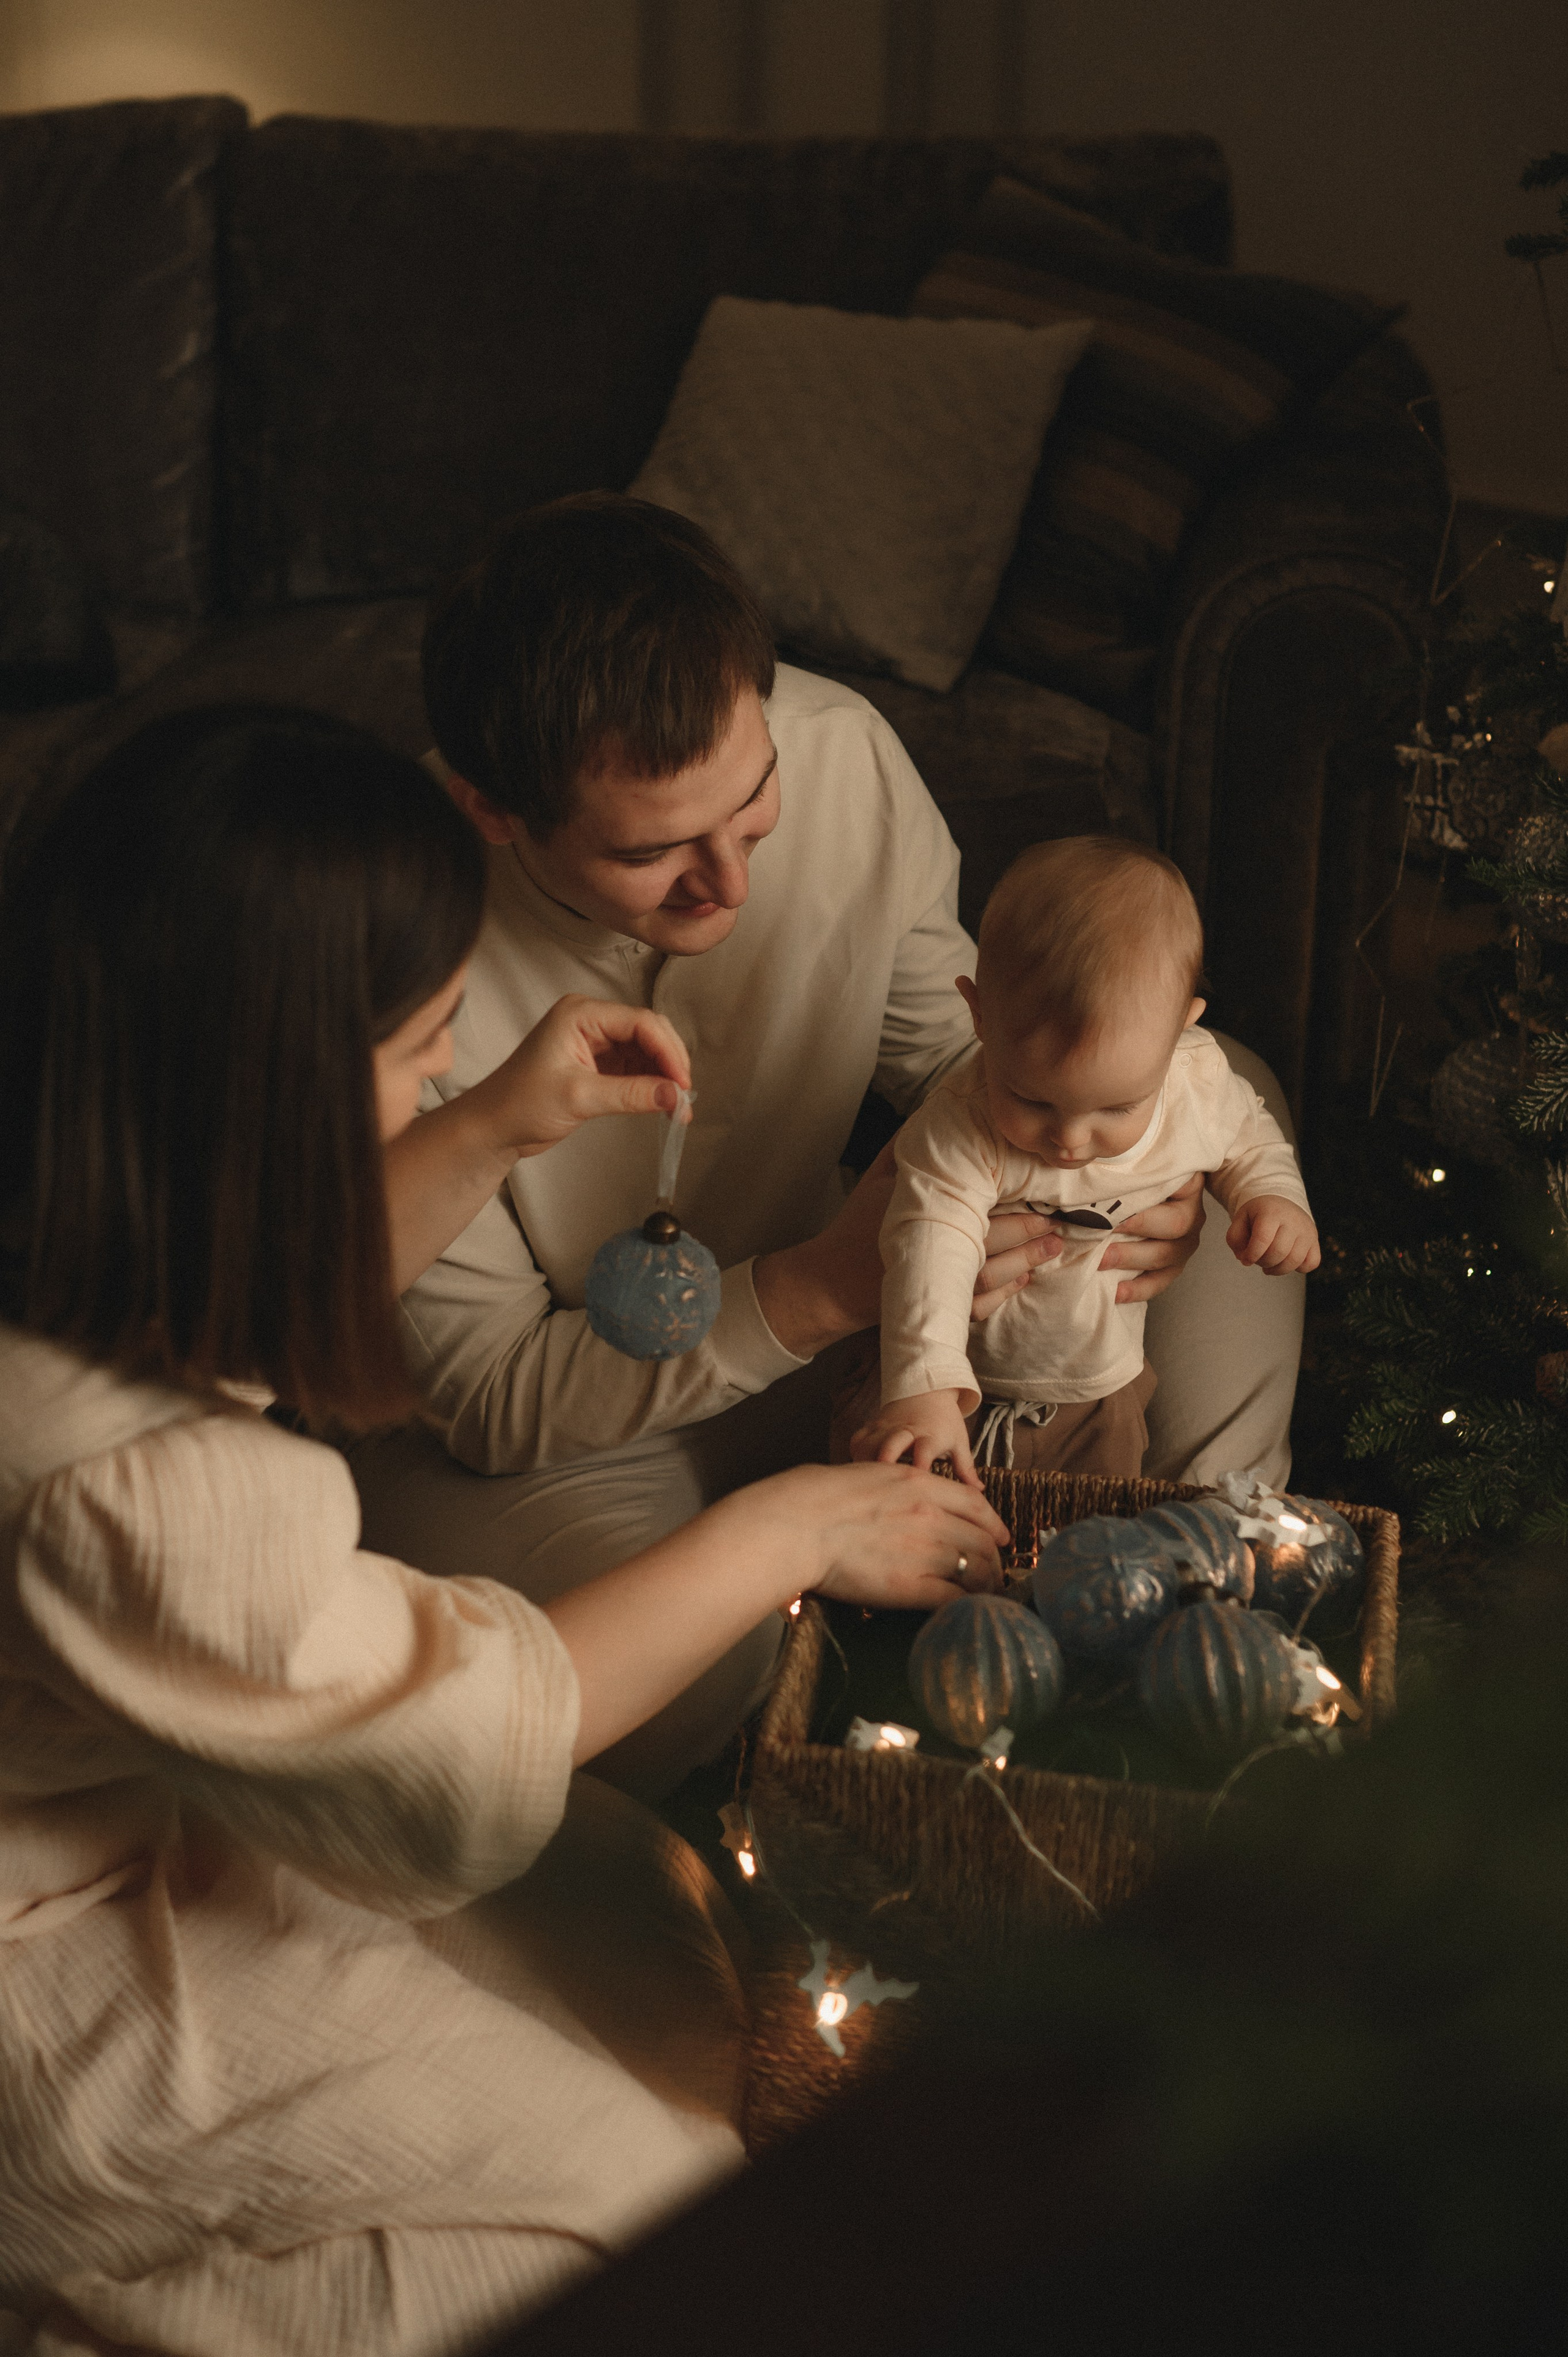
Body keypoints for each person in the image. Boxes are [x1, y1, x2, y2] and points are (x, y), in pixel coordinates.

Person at [0, 708, 1006, 2356]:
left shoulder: (85, 1191)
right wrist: (787, 1531)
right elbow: (458, 1748)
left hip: (97, 1791)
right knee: (654, 2222)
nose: (439, 1090)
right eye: (413, 1069)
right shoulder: (138, 1492)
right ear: (267, 1096)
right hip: (46, 1949)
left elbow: (221, 1312)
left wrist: (484, 1130)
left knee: (636, 1921)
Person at [350, 494, 1304, 1793]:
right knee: (646, 1672)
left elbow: (960, 1058)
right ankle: (840, 1702)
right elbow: (495, 1401)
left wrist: (1119, 1171)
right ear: (492, 809)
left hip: (861, 1324)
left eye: (751, 809)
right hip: (560, 1436)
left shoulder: (841, 750)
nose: (728, 886)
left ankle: (1210, 1565)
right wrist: (819, 1290)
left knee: (1215, 1088)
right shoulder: (390, 947)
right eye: (652, 852)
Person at [851, 838, 1317, 1482]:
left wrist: (1271, 1196)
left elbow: (1249, 1133)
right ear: (979, 1013)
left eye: (1116, 1108)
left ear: (1182, 1030)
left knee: (1095, 1547)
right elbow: (928, 1245)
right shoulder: (962, 1121)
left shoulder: (1197, 1081)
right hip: (948, 1387)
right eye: (1032, 1099)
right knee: (910, 1537)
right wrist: (922, 1386)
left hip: (1103, 1388)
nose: (1069, 1140)